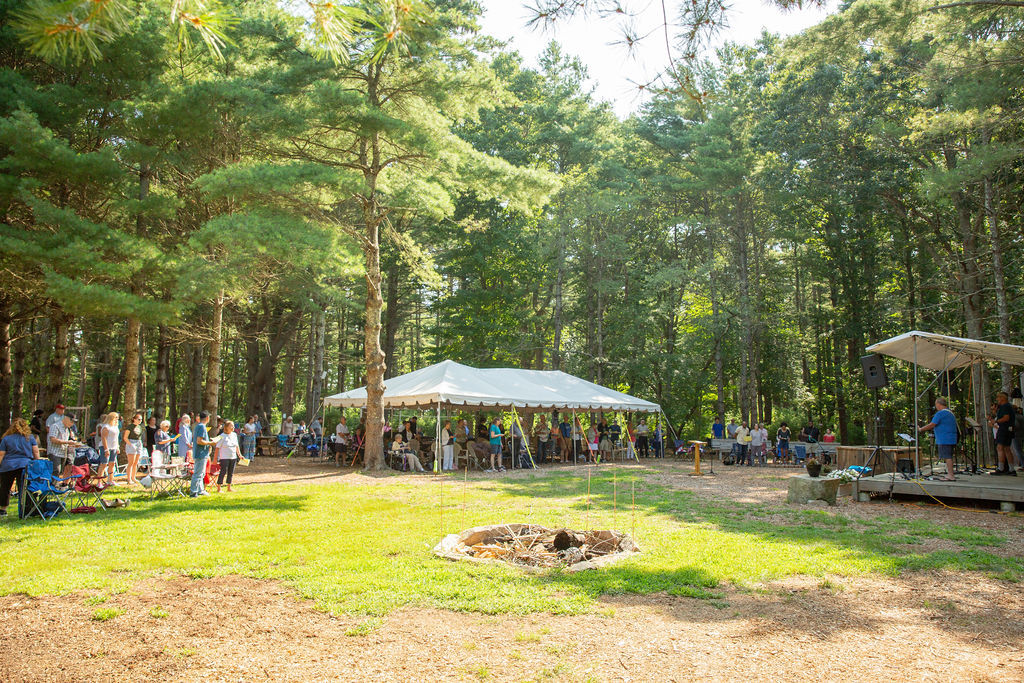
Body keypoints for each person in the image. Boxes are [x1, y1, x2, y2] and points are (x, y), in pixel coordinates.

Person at [0, 418, 41, 518]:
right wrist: (37, 463)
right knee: (24, 488)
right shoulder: (30, 438)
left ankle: (3, 509)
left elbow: (1, 454)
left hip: (8, 465)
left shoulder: (6, 438)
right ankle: (25, 509)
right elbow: (35, 452)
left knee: (5, 488)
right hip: (24, 465)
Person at [919, 397, 957, 481]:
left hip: (945, 438)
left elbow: (932, 424)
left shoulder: (940, 413)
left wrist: (921, 429)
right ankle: (950, 473)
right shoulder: (950, 413)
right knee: (949, 456)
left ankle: (951, 475)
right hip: (951, 437)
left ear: (939, 405)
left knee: (947, 457)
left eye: (936, 405)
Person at [989, 391, 1016, 475]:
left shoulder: (1005, 407)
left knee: (1000, 447)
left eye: (998, 398)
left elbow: (1006, 418)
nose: (997, 400)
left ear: (1002, 398)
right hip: (1009, 429)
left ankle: (1001, 468)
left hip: (1004, 429)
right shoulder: (1008, 406)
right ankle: (1011, 469)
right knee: (1007, 448)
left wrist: (995, 421)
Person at [214, 420, 241, 493]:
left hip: (233, 456)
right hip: (224, 457)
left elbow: (236, 446)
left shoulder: (234, 435)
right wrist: (215, 459)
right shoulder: (222, 436)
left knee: (231, 472)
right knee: (223, 472)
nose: (233, 427)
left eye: (233, 426)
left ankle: (229, 487)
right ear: (226, 427)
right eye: (231, 426)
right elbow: (217, 448)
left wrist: (239, 455)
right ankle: (219, 488)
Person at [191, 411, 213, 496]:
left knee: (201, 473)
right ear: (207, 418)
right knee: (198, 473)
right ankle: (193, 492)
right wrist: (210, 443)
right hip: (200, 453)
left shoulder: (198, 426)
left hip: (201, 453)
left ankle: (200, 490)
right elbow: (199, 441)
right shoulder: (202, 427)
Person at [122, 412, 145, 486]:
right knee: (131, 462)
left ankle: (133, 477)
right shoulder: (130, 427)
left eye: (141, 419)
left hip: (138, 442)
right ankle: (129, 479)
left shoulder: (140, 427)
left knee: (136, 462)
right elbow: (125, 437)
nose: (140, 421)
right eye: (138, 419)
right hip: (131, 442)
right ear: (134, 419)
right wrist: (131, 445)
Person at [99, 412, 120, 485]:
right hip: (105, 447)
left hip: (113, 447)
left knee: (112, 463)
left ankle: (110, 480)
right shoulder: (106, 426)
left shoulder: (115, 426)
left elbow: (116, 438)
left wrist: (117, 447)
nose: (117, 419)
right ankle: (99, 482)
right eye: (116, 417)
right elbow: (103, 438)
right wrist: (106, 449)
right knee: (104, 464)